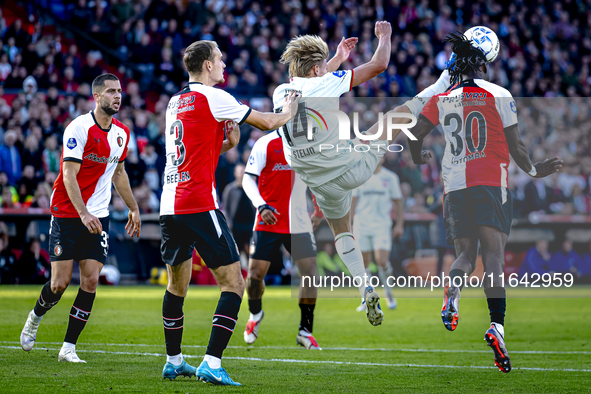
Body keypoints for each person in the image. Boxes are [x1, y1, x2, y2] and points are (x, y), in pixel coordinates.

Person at [273, 22, 452, 326]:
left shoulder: (281, 92)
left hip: (316, 181)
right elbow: (379, 64)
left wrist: (338, 58)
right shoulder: (324, 83)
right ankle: (443, 82)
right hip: (347, 168)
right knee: (393, 118)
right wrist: (385, 37)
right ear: (317, 69)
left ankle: (364, 285)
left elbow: (314, 78)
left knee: (343, 231)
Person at [407, 32, 563, 373]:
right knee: (493, 258)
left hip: (455, 187)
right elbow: (518, 147)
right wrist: (535, 172)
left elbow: (414, 135)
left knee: (465, 255)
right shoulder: (500, 95)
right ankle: (497, 327)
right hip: (492, 182)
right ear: (482, 64)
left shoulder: (443, 98)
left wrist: (420, 158)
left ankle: (453, 291)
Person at [158, 40, 299, 385]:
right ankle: (211, 361)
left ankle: (174, 361)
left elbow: (195, 152)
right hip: (199, 204)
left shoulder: (175, 102)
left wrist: (229, 145)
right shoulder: (214, 97)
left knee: (177, 286)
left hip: (169, 205)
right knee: (234, 284)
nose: (224, 64)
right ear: (207, 65)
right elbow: (265, 122)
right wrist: (291, 112)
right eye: (220, 59)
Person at [20, 73, 142, 363]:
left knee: (90, 281)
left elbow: (120, 173)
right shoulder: (78, 127)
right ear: (97, 97)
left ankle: (68, 348)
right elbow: (69, 175)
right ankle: (35, 318)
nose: (118, 96)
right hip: (67, 212)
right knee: (59, 284)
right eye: (111, 91)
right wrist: (82, 212)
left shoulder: (122, 133)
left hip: (98, 216)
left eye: (120, 91)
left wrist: (133, 208)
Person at [242, 129, 321, 349]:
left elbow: (315, 179)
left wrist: (319, 210)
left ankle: (305, 330)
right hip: (268, 219)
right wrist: (261, 205)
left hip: (298, 222)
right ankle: (255, 314)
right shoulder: (265, 143)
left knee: (310, 275)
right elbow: (248, 179)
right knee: (255, 275)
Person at [351, 157, 404, 311]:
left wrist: (399, 225)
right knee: (364, 264)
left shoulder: (390, 177)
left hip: (382, 225)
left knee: (381, 260)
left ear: (383, 158)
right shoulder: (360, 176)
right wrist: (349, 224)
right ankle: (366, 298)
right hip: (362, 224)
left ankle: (388, 292)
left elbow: (398, 202)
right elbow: (353, 202)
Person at [221, 164, 256, 257]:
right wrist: (228, 224)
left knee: (250, 251)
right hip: (236, 226)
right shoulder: (230, 189)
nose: (242, 173)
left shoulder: (250, 187)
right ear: (235, 173)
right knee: (236, 252)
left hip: (249, 225)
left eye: (243, 171)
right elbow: (225, 208)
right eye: (240, 171)